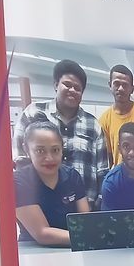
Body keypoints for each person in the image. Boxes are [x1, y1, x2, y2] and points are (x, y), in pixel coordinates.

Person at [13, 59, 109, 204]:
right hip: (40, 205)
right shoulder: (33, 114)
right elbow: (21, 161)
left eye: (77, 88)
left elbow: (102, 171)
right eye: (67, 85)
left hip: (83, 208)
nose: (72, 90)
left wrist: (97, 205)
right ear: (56, 85)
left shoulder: (93, 125)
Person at [14, 121, 89, 246]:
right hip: (33, 251)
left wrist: (89, 236)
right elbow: (42, 233)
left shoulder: (72, 176)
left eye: (55, 150)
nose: (49, 158)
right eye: (40, 151)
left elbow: (85, 221)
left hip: (74, 247)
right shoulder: (19, 181)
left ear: (62, 149)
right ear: (26, 149)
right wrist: (89, 238)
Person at [98, 65, 134, 166]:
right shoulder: (104, 119)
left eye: (125, 85)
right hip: (119, 173)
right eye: (116, 84)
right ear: (110, 85)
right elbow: (107, 155)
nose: (120, 89)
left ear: (132, 89)